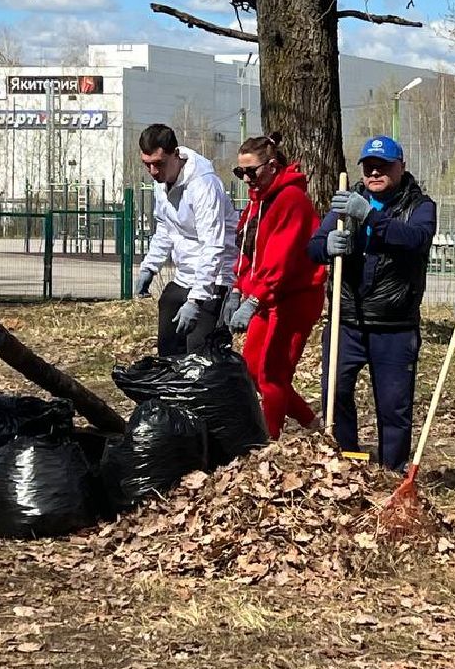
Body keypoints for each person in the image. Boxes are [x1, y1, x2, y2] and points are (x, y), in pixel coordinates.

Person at [307, 135, 436, 470]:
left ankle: (392, 471)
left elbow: (415, 240)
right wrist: (327, 246)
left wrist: (369, 217)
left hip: (393, 325)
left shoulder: (420, 206)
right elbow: (313, 248)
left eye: (384, 166)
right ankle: (345, 460)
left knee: (394, 407)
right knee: (335, 394)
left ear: (401, 166)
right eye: (369, 167)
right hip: (346, 320)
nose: (376, 173)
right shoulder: (345, 203)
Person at [224, 131, 328, 438]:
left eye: (250, 171)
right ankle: (312, 423)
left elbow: (280, 259)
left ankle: (268, 440)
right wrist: (237, 289)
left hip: (294, 297)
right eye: (239, 172)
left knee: (273, 373)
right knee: (252, 368)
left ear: (271, 165)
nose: (245, 179)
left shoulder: (291, 200)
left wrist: (254, 299)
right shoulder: (259, 202)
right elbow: (248, 250)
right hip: (265, 295)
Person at [135, 124, 239, 356]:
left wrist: (196, 300)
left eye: (158, 164)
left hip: (215, 278)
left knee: (200, 353)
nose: (152, 171)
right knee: (169, 346)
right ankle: (172, 391)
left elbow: (213, 245)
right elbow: (165, 227)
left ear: (176, 155)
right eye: (147, 164)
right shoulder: (161, 183)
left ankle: (206, 392)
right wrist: (150, 267)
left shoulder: (204, 185)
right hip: (185, 275)